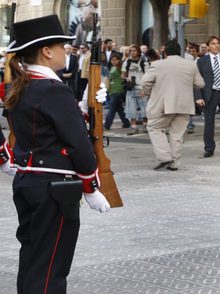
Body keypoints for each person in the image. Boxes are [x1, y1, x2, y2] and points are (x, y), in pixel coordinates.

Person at [4, 15, 110, 293]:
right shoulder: (52, 90)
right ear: (46, 51)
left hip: (29, 182)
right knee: (51, 268)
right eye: (62, 46)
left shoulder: (22, 85)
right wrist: (90, 187)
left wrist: (85, 107)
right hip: (56, 189)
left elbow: (51, 128)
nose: (67, 50)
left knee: (34, 262)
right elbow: (78, 145)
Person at [141, 41, 205, 170]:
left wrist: (151, 93)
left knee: (154, 128)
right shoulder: (191, 65)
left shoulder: (157, 64)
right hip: (184, 105)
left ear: (165, 52)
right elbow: (200, 84)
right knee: (177, 134)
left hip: (163, 104)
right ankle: (174, 163)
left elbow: (145, 82)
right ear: (180, 51)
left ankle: (165, 157)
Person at [122, 45, 149, 134]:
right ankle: (134, 127)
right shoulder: (127, 62)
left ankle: (146, 125)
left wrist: (144, 89)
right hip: (131, 88)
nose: (132, 52)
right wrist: (127, 79)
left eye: (134, 50)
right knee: (131, 108)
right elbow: (123, 75)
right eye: (131, 51)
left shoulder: (144, 63)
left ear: (138, 52)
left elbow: (148, 77)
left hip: (141, 88)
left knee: (144, 108)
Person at [104, 53, 131, 130]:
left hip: (118, 90)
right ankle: (126, 123)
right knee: (119, 109)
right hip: (112, 90)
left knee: (112, 108)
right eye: (112, 60)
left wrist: (125, 56)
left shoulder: (120, 67)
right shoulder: (112, 67)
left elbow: (125, 62)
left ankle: (107, 125)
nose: (113, 61)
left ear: (119, 60)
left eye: (115, 60)